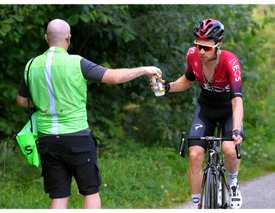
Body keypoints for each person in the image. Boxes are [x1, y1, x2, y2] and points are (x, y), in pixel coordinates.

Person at [16, 18, 161, 209]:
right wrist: (144, 69)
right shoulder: (77, 63)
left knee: (58, 196)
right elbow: (115, 77)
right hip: (77, 138)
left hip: (47, 139)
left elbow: (21, 100)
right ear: (68, 38)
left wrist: (44, 103)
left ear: (46, 38)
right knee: (90, 192)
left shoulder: (31, 65)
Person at [156, 18, 243, 209]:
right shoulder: (192, 56)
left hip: (228, 111)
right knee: (195, 154)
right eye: (198, 46)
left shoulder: (230, 61)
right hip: (206, 109)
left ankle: (233, 182)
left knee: (229, 149)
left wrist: (237, 129)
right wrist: (168, 86)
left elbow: (237, 100)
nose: (201, 52)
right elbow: (188, 80)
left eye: (207, 48)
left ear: (218, 45)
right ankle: (197, 204)